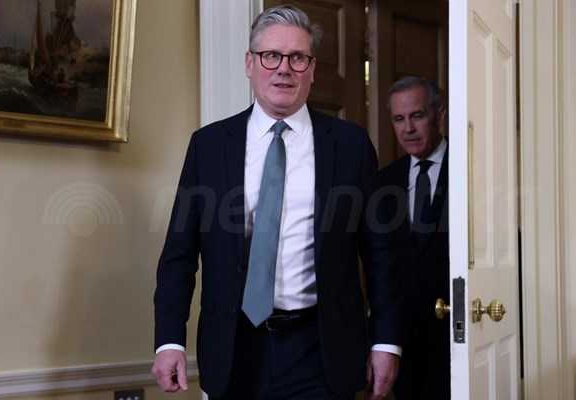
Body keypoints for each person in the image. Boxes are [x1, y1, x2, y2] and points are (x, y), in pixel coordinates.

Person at [152, 5, 401, 400]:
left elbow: (380, 255)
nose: (284, 68)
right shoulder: (209, 146)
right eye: (271, 55)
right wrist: (169, 340)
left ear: (312, 69)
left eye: (298, 57)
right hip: (233, 348)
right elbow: (179, 254)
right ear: (249, 63)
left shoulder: (351, 146)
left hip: (320, 351)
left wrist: (386, 342)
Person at [377, 76, 450, 399]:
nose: (408, 128)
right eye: (398, 119)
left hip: (459, 336)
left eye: (417, 115)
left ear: (439, 114)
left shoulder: (471, 168)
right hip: (405, 343)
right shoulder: (383, 182)